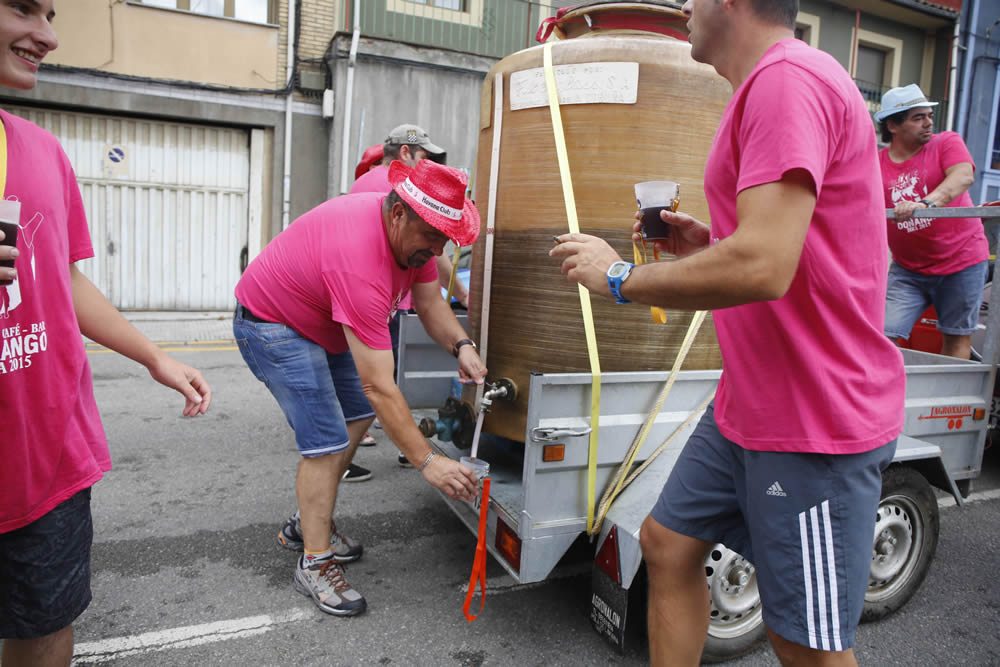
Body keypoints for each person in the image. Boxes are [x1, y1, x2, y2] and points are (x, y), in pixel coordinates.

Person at [550, 0, 905, 663]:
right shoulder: (763, 89)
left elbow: (764, 265)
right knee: (666, 542)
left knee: (805, 644)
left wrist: (619, 277)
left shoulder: (786, 81)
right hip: (748, 402)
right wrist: (706, 244)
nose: (683, 7)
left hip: (811, 413)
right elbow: (787, 249)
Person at [0, 3, 213, 666]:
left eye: (51, 13)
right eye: (22, 7)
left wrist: (153, 355)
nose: (49, 35)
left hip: (49, 457)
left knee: (45, 626)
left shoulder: (40, 150)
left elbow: (63, 279)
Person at [233, 158, 485, 617]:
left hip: (322, 322)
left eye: (445, 240)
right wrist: (428, 461)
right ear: (398, 214)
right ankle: (314, 562)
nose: (438, 249)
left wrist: (461, 345)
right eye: (432, 237)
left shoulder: (415, 244)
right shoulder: (361, 261)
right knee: (327, 443)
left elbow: (429, 304)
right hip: (274, 324)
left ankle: (306, 523)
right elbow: (380, 385)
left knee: (355, 417)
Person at [352, 125, 471, 466]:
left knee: (368, 381)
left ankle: (355, 443)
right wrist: (462, 294)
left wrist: (462, 345)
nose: (428, 167)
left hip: (373, 295)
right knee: (383, 379)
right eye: (425, 157)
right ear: (405, 153)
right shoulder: (402, 186)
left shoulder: (365, 181)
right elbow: (434, 253)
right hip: (383, 298)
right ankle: (408, 445)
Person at [875, 83, 989, 360]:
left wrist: (925, 204)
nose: (929, 123)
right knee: (881, 336)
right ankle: (887, 398)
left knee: (955, 336)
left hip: (962, 260)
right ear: (893, 125)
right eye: (918, 117)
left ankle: (951, 404)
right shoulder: (875, 163)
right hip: (909, 270)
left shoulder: (946, 142)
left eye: (929, 115)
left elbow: (962, 176)